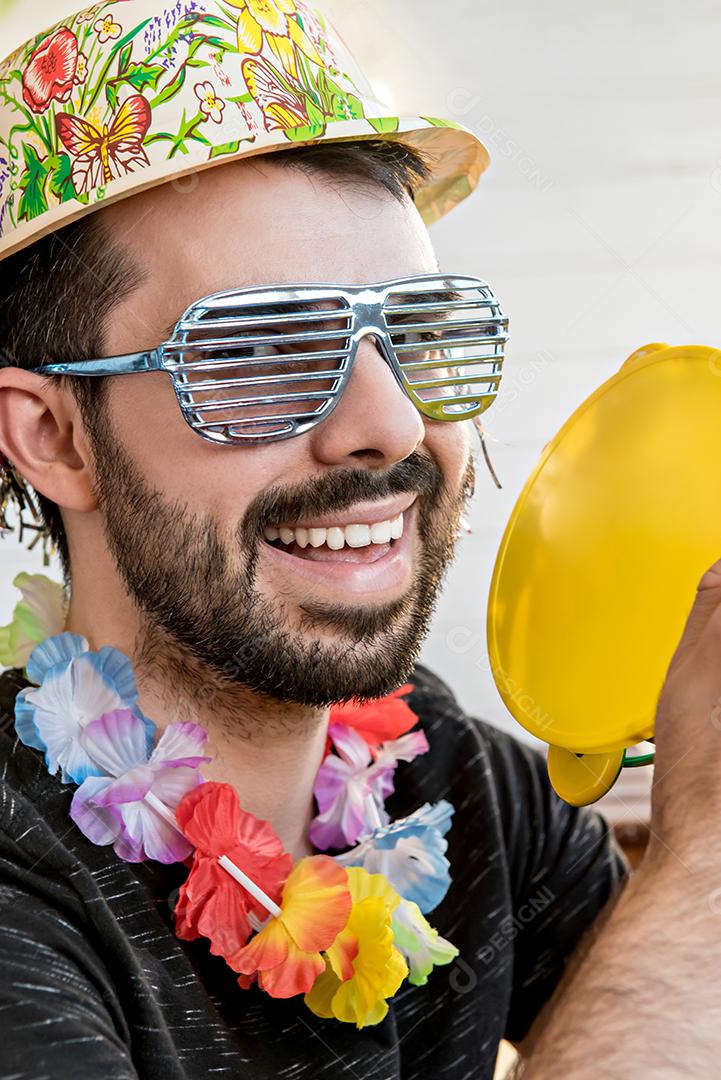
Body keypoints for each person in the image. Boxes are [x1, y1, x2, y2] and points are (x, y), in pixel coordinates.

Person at [0, 2, 716, 1077]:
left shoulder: (449, 774)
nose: (387, 425)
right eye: (260, 349)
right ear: (54, 437)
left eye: (421, 332)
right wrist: (705, 859)